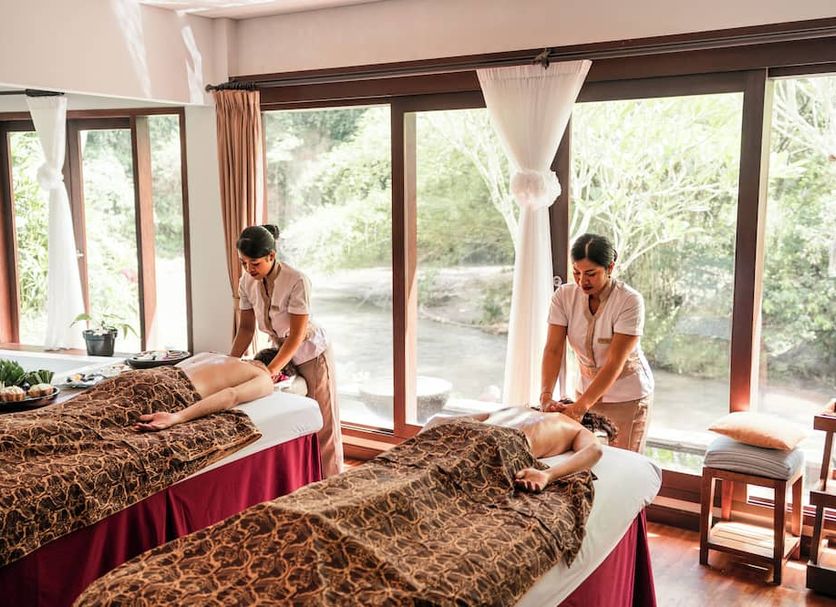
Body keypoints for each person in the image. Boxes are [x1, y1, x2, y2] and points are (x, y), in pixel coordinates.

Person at [229, 225, 343, 477]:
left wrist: (270, 371)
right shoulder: (246, 281)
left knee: (323, 422)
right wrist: (230, 363)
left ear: (271, 256)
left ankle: (333, 483)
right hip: (280, 349)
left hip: (311, 352)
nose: (249, 269)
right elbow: (246, 329)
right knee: (295, 419)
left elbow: (297, 335)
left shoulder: (296, 280)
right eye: (244, 263)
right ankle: (303, 481)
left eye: (255, 263)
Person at [540, 233, 654, 452]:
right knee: (583, 458)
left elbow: (614, 362)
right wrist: (545, 396)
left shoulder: (629, 301)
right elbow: (553, 350)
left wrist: (580, 408)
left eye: (591, 274)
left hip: (627, 396)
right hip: (584, 391)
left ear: (610, 267)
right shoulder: (564, 296)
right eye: (577, 272)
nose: (582, 281)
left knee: (623, 461)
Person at [425, 407, 616, 492]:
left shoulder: (573, 425)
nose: (559, 404)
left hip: (489, 439)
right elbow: (439, 421)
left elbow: (595, 450)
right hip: (480, 438)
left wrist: (547, 475)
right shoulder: (518, 409)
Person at [134, 352, 274, 431]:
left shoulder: (212, 355)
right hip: (168, 391)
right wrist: (177, 417)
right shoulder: (264, 377)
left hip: (149, 374)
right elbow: (231, 396)